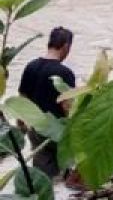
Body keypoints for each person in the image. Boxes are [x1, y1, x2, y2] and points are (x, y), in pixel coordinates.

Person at [18, 27, 76, 177]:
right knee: (62, 171)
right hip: (55, 130)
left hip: (35, 128)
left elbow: (22, 99)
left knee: (41, 173)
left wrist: (21, 126)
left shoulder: (31, 66)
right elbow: (67, 106)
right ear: (66, 46)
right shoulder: (65, 73)